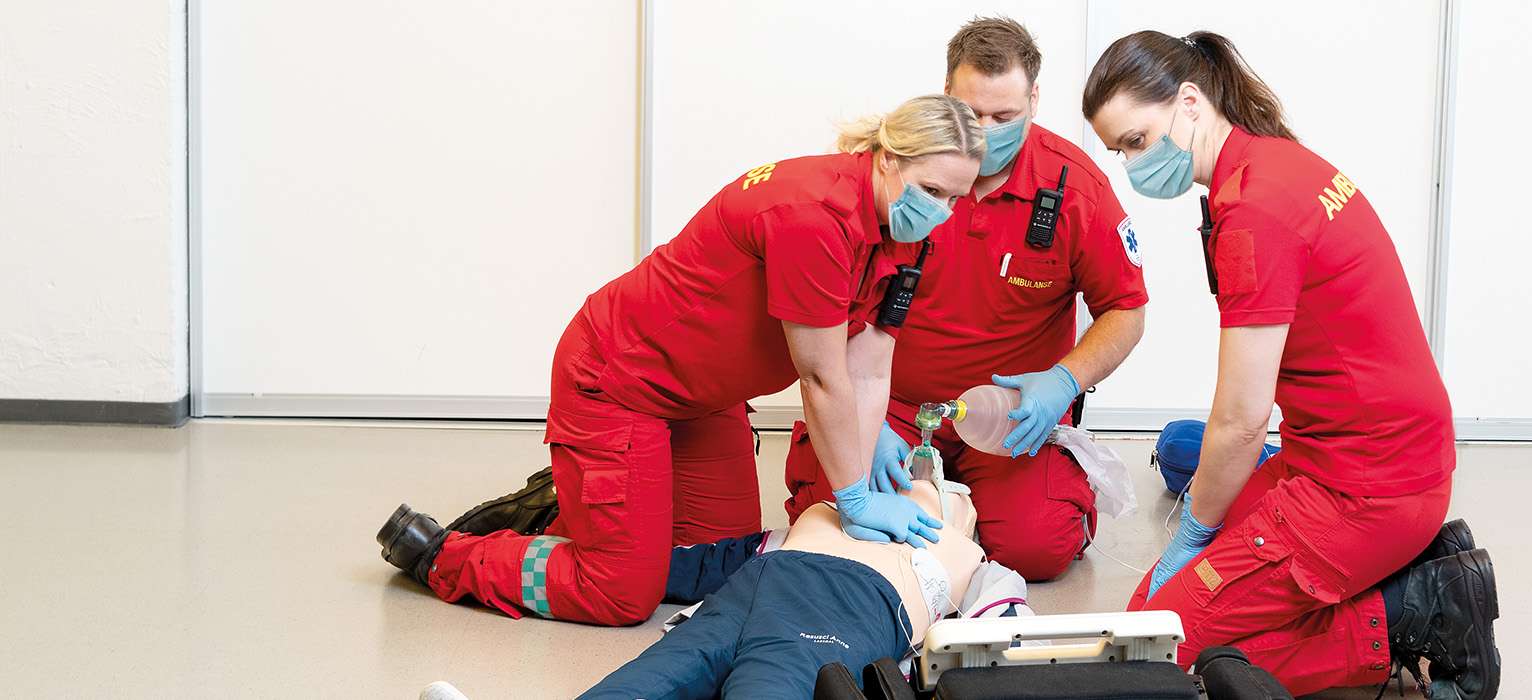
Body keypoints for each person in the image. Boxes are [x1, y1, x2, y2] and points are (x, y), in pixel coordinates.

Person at [374, 95, 986, 626]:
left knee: (714, 562)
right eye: (931, 190)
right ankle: (443, 555)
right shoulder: (815, 216)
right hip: (618, 382)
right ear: (887, 157)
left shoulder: (910, 231)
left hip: (700, 397)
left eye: (956, 198)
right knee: (618, 592)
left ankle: (578, 508)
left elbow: (870, 362)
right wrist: (854, 497)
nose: (941, 212)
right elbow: (823, 377)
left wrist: (874, 430)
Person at [1082, 31, 1500, 699]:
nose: (1132, 164)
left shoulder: (1254, 209)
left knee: (1152, 655)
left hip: (1369, 489)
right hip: (1365, 459)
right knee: (1146, 619)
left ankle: (1413, 611)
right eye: (1119, 151)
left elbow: (1244, 420)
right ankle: (1414, 575)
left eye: (1137, 140)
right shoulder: (1271, 162)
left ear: (1189, 102)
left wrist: (1197, 529)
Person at [786, 17, 1149, 582]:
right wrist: (864, 417)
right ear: (946, 93)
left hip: (1008, 417)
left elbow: (1126, 310)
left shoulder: (1076, 190)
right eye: (971, 113)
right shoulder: (896, 170)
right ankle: (949, 511)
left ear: (1034, 98)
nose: (985, 131)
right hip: (891, 403)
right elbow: (827, 307)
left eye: (1005, 117)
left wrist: (1065, 381)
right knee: (830, 520)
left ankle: (977, 508)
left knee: (1037, 549)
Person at [580, 479, 1028, 699]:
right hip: (753, 592)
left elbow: (1006, 639)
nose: (912, 481)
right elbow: (706, 564)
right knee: (642, 683)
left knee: (764, 687)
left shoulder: (974, 561)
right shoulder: (828, 514)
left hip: (838, 606)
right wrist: (610, 566)